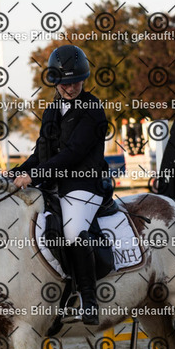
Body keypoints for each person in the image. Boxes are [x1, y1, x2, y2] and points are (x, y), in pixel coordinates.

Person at [10, 44, 109, 324]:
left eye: (76, 81)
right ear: (55, 82)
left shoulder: (92, 109)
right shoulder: (52, 111)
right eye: (65, 83)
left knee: (74, 232)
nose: (71, 87)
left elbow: (72, 154)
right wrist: (15, 173)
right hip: (54, 186)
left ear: (84, 79)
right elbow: (41, 153)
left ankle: (89, 300)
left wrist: (34, 176)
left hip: (83, 185)